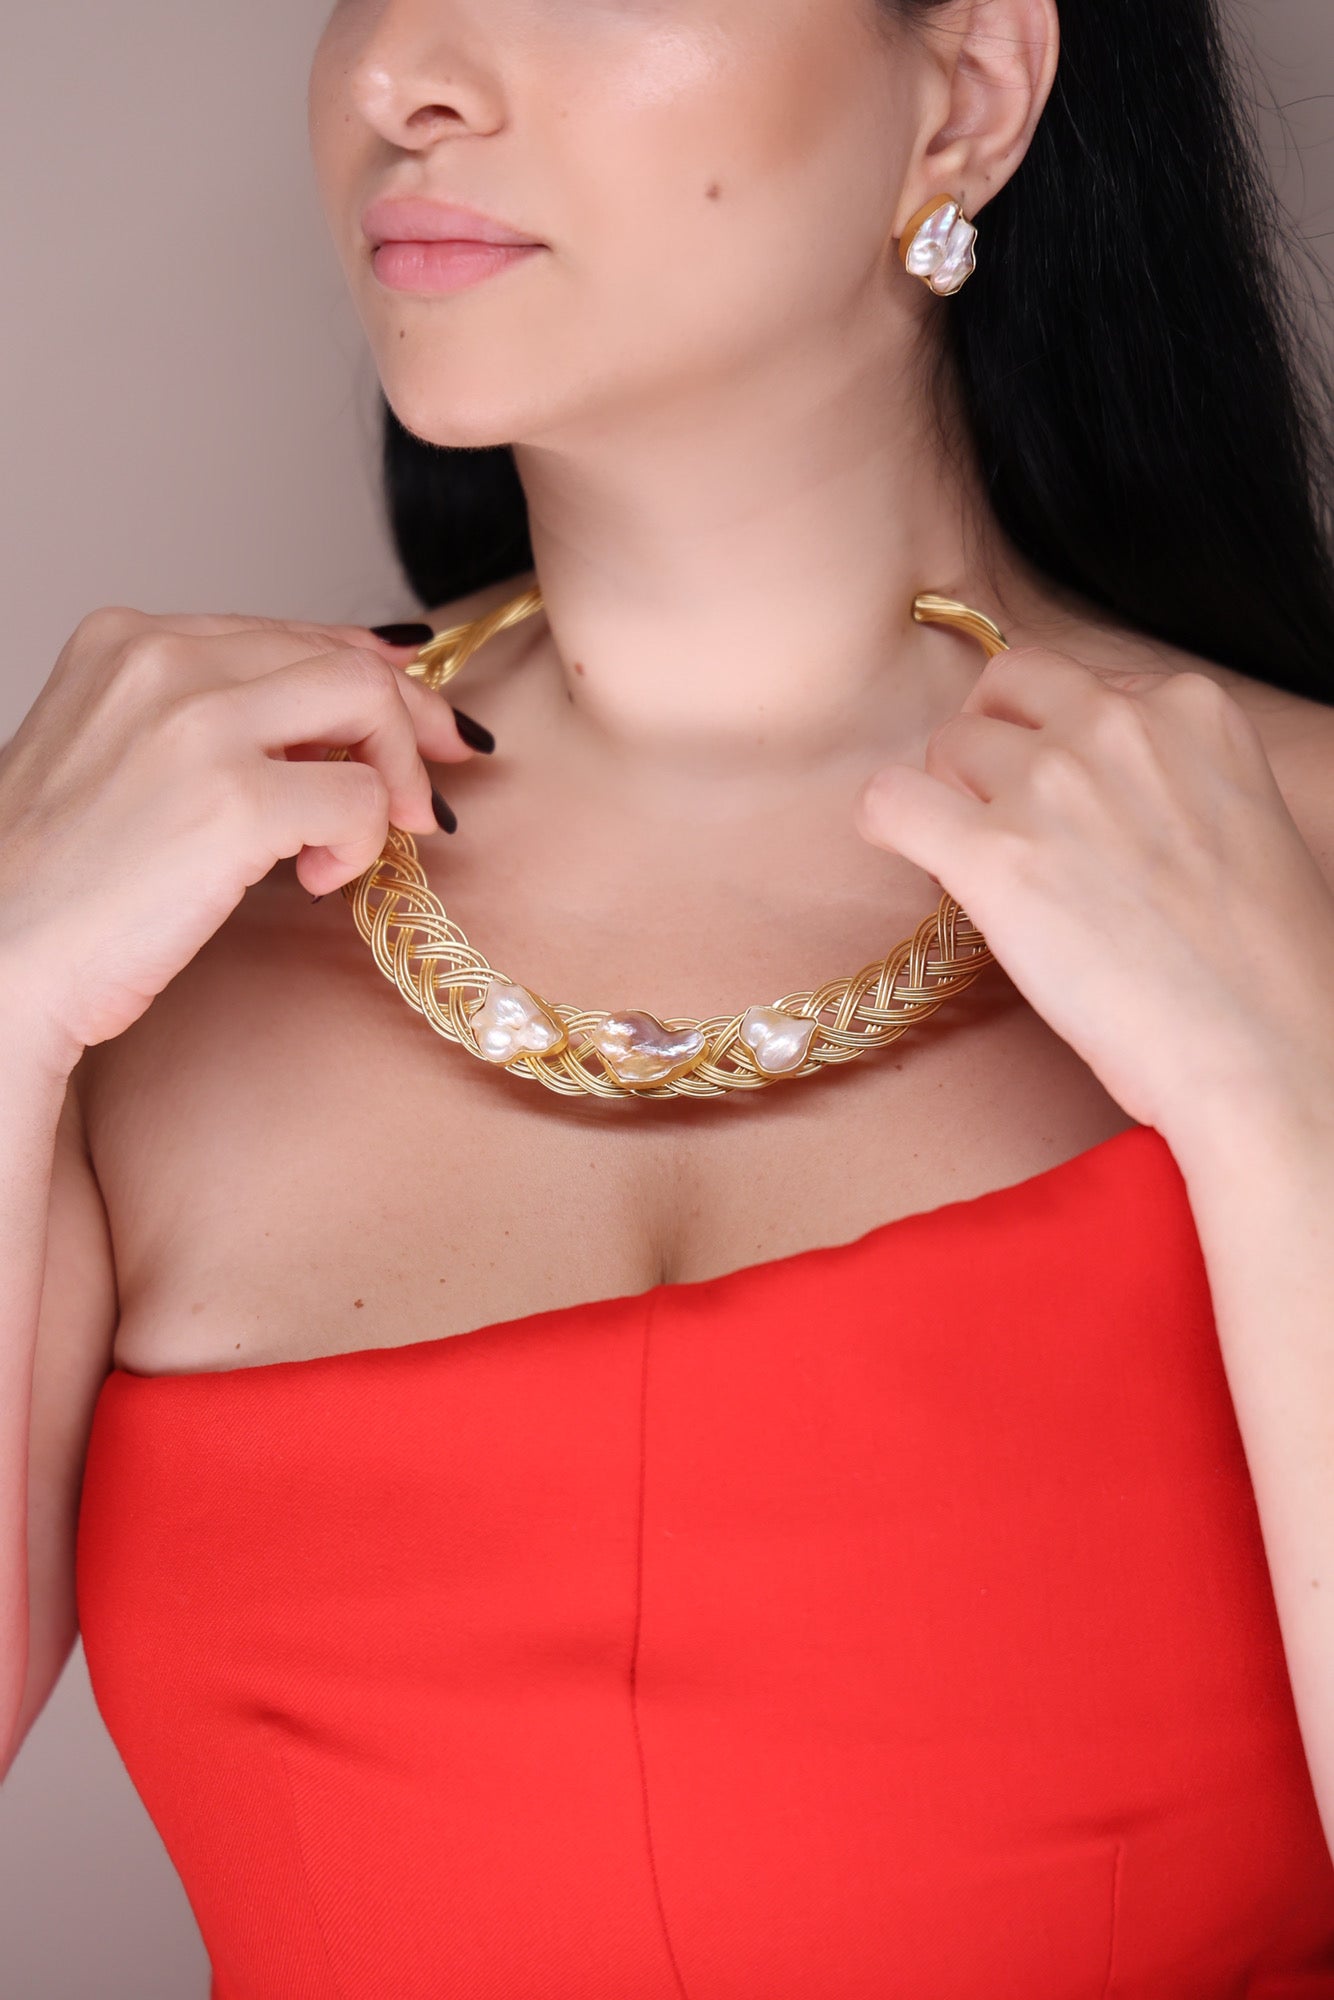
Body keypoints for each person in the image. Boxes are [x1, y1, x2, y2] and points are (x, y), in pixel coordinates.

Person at [4, 0, 1334, 1992]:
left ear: (967, 90)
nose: (399, 74)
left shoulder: (1302, 867)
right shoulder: (128, 903)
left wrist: (1284, 1110)